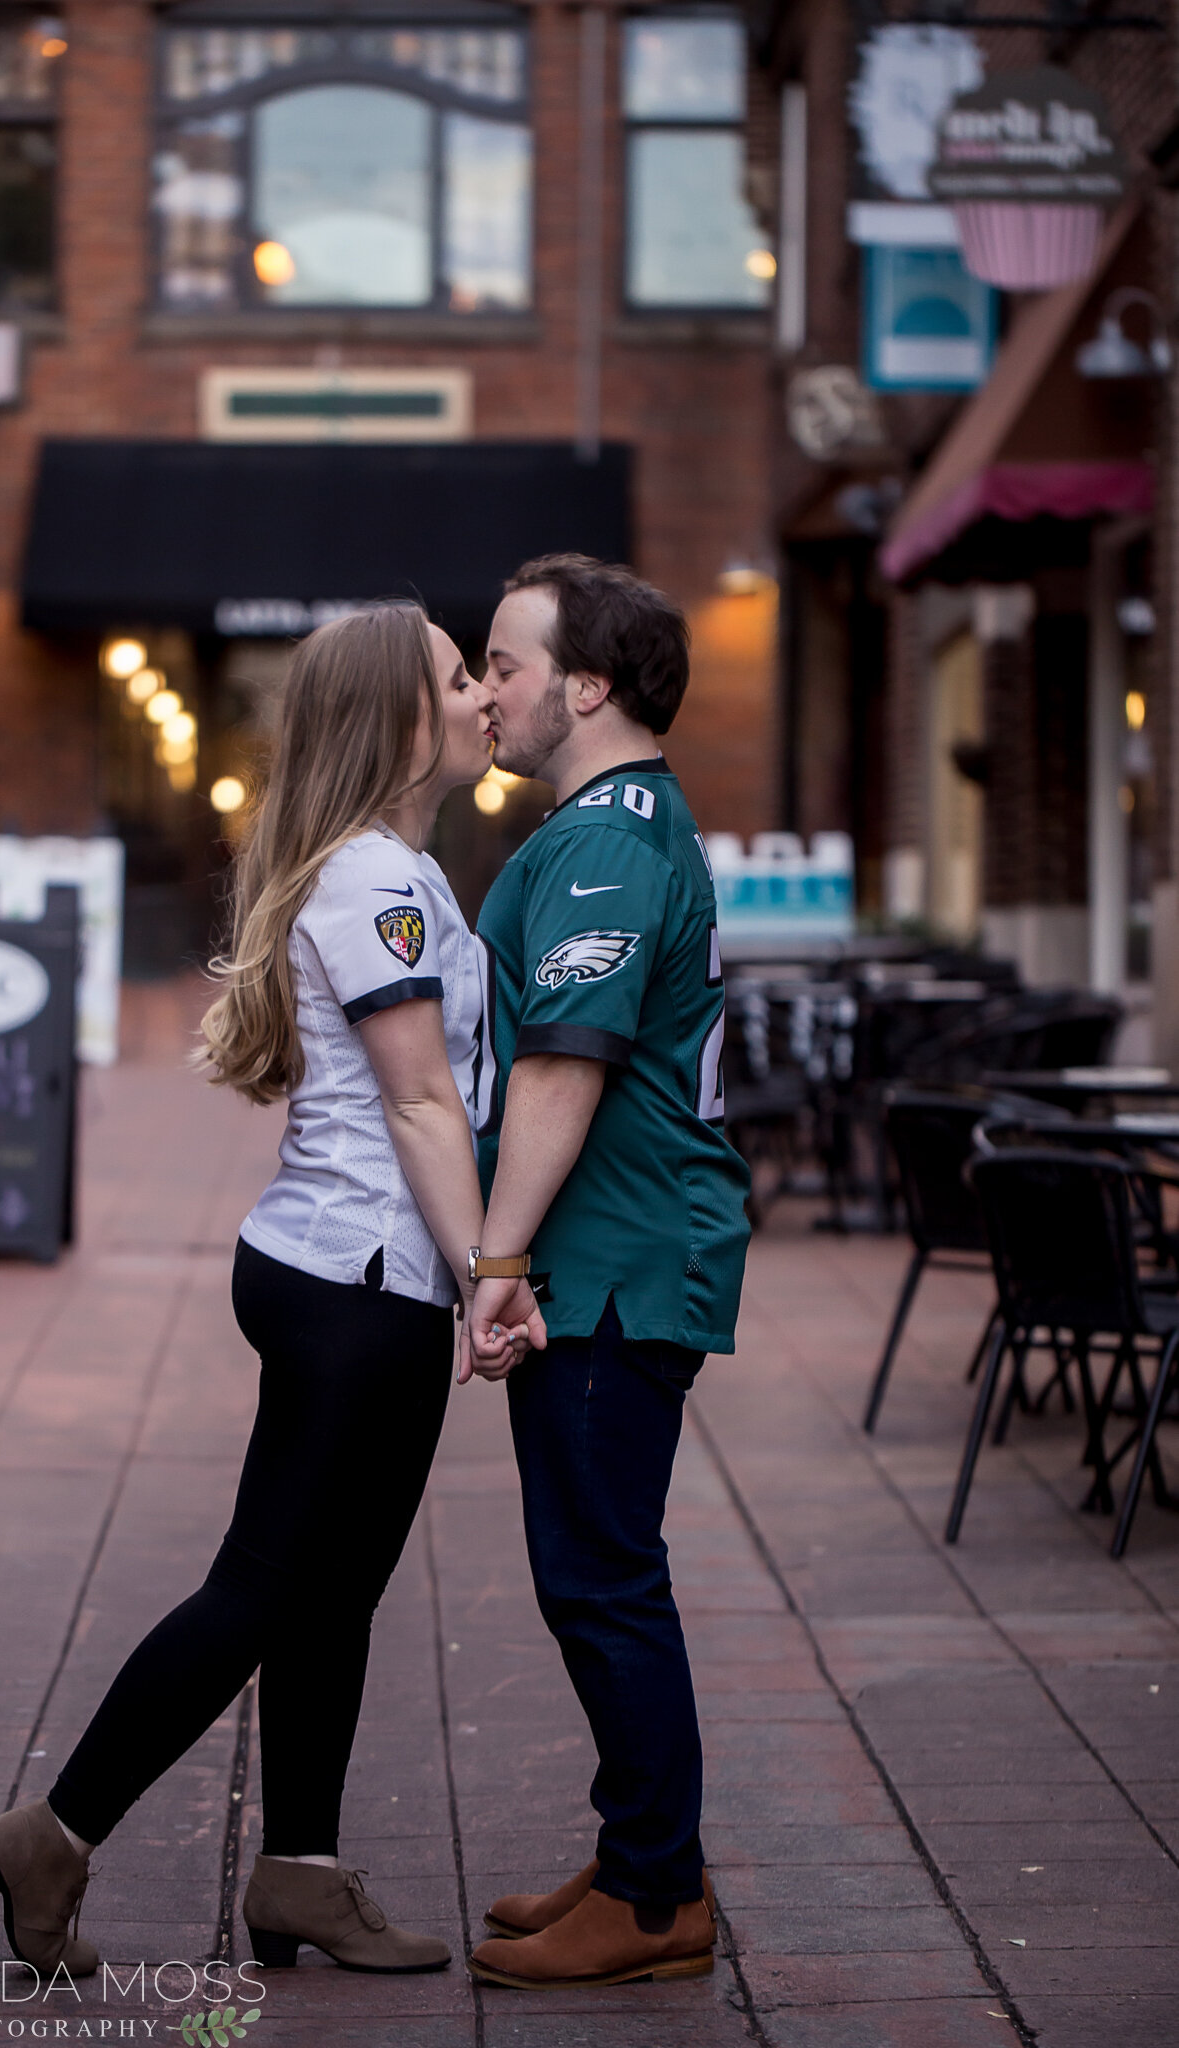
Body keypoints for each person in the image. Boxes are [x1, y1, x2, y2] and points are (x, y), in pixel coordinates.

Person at [0, 603, 542, 1980]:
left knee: (327, 1594)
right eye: (460, 680)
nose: (480, 699)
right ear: (403, 721)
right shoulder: (382, 884)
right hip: (360, 1279)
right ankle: (54, 1834)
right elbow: (417, 1104)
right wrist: (488, 1278)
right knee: (269, 1587)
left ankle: (301, 1876)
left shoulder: (384, 867)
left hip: (338, 1270)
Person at [459, 555, 751, 1991]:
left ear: (585, 685)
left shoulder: (603, 839)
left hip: (614, 1264)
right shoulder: (610, 827)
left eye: (503, 663)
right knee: (593, 1568)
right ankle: (648, 1854)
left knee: (600, 1576)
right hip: (617, 1255)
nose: (484, 691)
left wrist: (496, 1257)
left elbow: (567, 1068)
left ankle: (650, 1899)